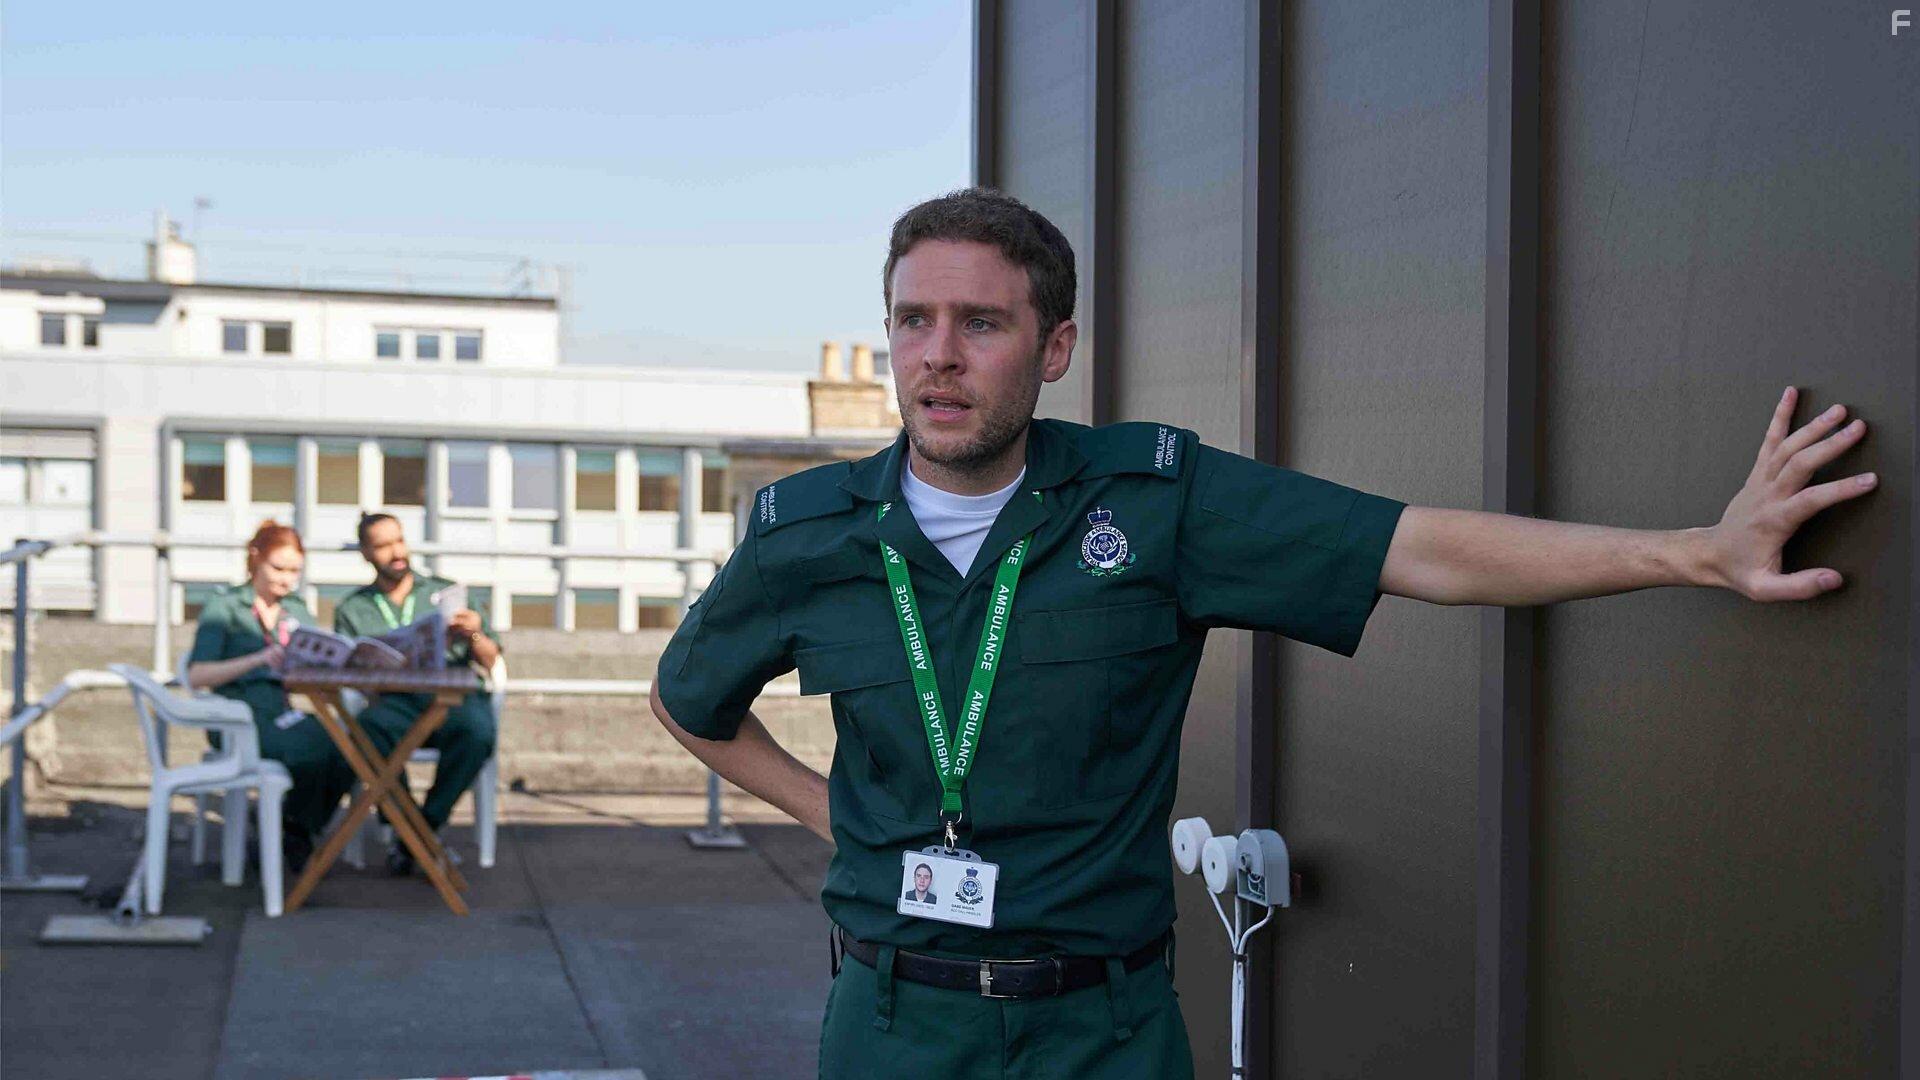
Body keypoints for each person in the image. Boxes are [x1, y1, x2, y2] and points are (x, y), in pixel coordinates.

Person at [649, 188, 1876, 1078]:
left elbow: (1421, 549)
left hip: (1107, 1033)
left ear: (1055, 347)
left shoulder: (1158, 502)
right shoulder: (806, 531)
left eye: (982, 323)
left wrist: (1693, 553)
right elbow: (688, 700)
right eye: (914, 321)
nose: (940, 358)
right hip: (892, 1026)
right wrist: (839, 816)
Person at [333, 513, 501, 875]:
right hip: (395, 700)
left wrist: (472, 634)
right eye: (382, 545)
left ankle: (421, 829)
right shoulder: (352, 609)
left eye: (399, 540)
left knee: (478, 732)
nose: (395, 552)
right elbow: (347, 674)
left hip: (452, 695)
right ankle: (409, 829)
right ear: (365, 553)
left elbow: (491, 660)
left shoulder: (445, 591)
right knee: (365, 733)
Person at [187, 520, 354, 874]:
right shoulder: (226, 606)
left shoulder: (296, 610)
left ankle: (293, 825)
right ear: (255, 559)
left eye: (294, 571)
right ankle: (292, 831)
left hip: (281, 710)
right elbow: (197, 675)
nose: (286, 579)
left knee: (353, 749)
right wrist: (260, 659)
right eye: (278, 568)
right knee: (312, 751)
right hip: (237, 715)